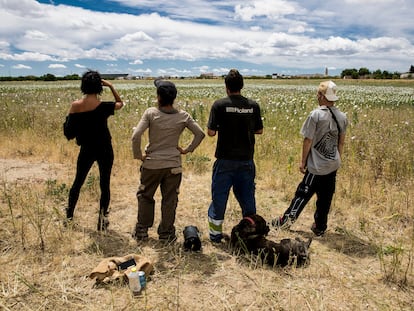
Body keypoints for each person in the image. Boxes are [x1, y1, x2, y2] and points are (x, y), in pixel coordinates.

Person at [132, 79, 205, 242]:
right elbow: (200, 134)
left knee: (145, 196)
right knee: (170, 199)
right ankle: (166, 234)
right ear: (174, 97)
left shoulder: (151, 113)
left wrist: (139, 156)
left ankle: (142, 230)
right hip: (173, 165)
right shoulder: (183, 116)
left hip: (152, 164)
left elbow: (136, 136)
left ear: (158, 97)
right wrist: (186, 150)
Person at [272, 80, 348, 236]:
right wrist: (336, 161)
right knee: (325, 198)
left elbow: (308, 140)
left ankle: (286, 221)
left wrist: (303, 161)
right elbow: (341, 142)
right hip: (332, 164)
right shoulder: (342, 116)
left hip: (316, 166)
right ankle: (320, 227)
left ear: (320, 95)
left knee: (302, 194)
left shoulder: (316, 115)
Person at [207, 69, 264, 243]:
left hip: (225, 161)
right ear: (242, 86)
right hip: (246, 160)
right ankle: (252, 235)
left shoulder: (219, 105)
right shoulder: (253, 105)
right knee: (248, 199)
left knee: (219, 199)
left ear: (226, 87)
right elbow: (259, 130)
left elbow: (210, 132)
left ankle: (216, 236)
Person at [63, 70, 124, 230]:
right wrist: (111, 86)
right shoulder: (104, 106)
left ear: (83, 86)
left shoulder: (76, 105)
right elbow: (120, 103)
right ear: (99, 86)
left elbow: (68, 130)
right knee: (105, 184)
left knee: (78, 182)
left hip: (87, 148)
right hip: (105, 147)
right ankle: (102, 221)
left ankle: (69, 216)